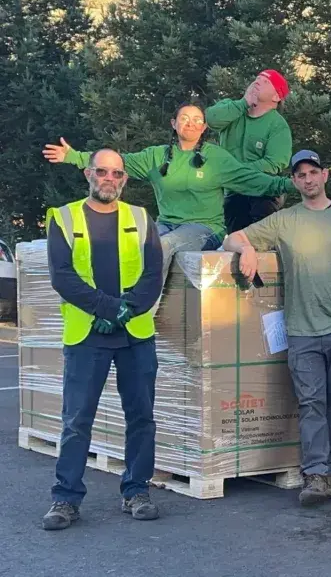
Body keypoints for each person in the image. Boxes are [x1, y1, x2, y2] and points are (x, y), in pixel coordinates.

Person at [223, 150, 331, 507]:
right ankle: (316, 475)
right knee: (311, 404)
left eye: (313, 172)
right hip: (302, 331)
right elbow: (233, 238)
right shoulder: (284, 220)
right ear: (294, 182)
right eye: (300, 175)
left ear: (325, 175)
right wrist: (246, 250)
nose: (308, 179)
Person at [43, 103, 296, 288]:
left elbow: (253, 180)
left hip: (205, 228)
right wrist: (73, 157)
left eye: (198, 119)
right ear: (173, 123)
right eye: (184, 118)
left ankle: (139, 311)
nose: (191, 123)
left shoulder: (216, 158)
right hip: (166, 222)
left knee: (163, 245)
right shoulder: (156, 156)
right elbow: (116, 163)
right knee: (131, 243)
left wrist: (292, 184)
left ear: (204, 127)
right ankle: (113, 296)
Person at [41, 149, 164, 530]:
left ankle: (136, 491)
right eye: (102, 171)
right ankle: (66, 499)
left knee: (141, 417)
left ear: (124, 179)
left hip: (135, 334)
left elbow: (153, 274)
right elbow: (63, 276)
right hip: (87, 335)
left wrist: (126, 310)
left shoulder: (142, 218)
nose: (109, 178)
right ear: (88, 175)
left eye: (116, 173)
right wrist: (110, 310)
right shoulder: (63, 218)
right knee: (77, 420)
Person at [206, 69, 294, 232]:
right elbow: (211, 119)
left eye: (266, 82)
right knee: (235, 234)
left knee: (261, 237)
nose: (258, 81)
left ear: (276, 97)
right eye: (257, 78)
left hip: (263, 192)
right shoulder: (232, 109)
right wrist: (244, 103)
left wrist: (239, 173)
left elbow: (275, 163)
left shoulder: (278, 125)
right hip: (233, 192)